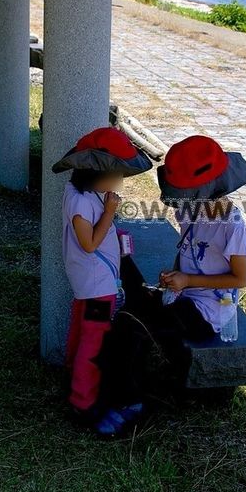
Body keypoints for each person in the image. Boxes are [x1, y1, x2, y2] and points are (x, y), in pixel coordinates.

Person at [96, 135, 246, 436]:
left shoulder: (231, 226)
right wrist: (175, 276)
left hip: (208, 312)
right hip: (183, 295)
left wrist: (188, 280)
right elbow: (189, 250)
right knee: (128, 312)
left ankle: (131, 404)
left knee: (137, 328)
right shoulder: (192, 209)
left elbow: (240, 279)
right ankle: (113, 386)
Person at [51, 127, 152, 432]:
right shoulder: (83, 203)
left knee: (81, 331)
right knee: (93, 344)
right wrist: (110, 212)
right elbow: (89, 243)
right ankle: (84, 401)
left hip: (88, 284)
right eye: (116, 174)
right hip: (98, 288)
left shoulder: (78, 192)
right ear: (95, 173)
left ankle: (72, 379)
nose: (120, 182)